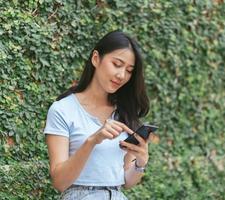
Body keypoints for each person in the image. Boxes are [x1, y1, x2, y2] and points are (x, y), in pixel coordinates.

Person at [44, 30, 151, 200]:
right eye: (116, 64)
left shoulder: (125, 113)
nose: (121, 75)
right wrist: (93, 140)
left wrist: (141, 162)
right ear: (96, 58)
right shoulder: (62, 110)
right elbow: (59, 182)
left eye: (129, 70)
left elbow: (127, 182)